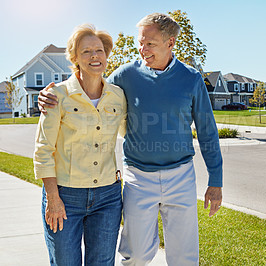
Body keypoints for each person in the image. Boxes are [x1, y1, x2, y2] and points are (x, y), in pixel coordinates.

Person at [39, 13, 222, 266]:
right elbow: (89, 84)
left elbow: (207, 131)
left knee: (185, 258)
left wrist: (216, 179)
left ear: (170, 43)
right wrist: (49, 93)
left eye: (150, 44)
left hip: (180, 174)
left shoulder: (191, 79)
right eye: (141, 42)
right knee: (135, 255)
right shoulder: (125, 76)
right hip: (138, 176)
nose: (142, 49)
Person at [34, 24, 127, 265]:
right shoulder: (57, 95)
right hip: (65, 196)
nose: (94, 56)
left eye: (99, 50)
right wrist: (53, 198)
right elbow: (44, 150)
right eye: (86, 51)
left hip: (108, 196)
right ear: (74, 58)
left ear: (106, 56)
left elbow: (132, 133)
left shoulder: (118, 96)